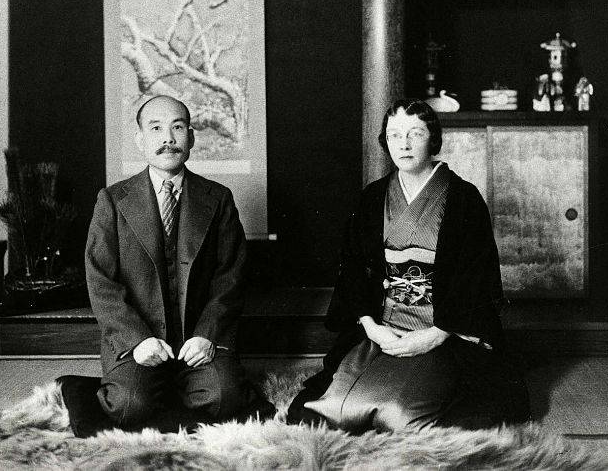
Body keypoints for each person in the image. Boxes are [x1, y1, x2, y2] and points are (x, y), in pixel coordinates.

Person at [287, 99, 530, 432]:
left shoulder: (463, 198)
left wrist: (435, 335)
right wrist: (371, 327)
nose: (403, 144)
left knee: (400, 416)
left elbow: (476, 278)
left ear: (433, 139)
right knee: (327, 411)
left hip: (443, 330)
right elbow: (353, 270)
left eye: (415, 133)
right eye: (394, 134)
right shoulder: (373, 197)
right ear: (385, 142)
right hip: (384, 327)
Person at [61, 95, 272, 437]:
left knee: (225, 400)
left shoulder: (218, 198)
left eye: (177, 128)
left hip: (197, 338)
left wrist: (207, 335)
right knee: (128, 406)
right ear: (140, 139)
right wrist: (138, 340)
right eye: (155, 128)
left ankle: (184, 382)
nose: (167, 139)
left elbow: (230, 277)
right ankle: (134, 385)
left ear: (191, 137)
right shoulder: (113, 200)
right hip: (139, 341)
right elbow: (101, 283)